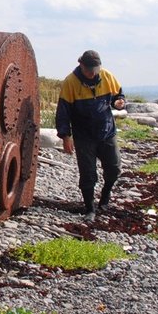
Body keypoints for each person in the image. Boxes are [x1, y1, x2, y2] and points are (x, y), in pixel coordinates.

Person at [56, 50, 125, 221]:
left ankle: (105, 196)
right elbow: (63, 112)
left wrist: (118, 102)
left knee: (114, 168)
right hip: (84, 136)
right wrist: (65, 137)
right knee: (88, 174)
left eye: (96, 69)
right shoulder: (70, 82)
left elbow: (119, 95)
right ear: (81, 65)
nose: (93, 73)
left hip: (107, 132)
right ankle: (90, 208)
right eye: (90, 70)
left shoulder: (106, 76)